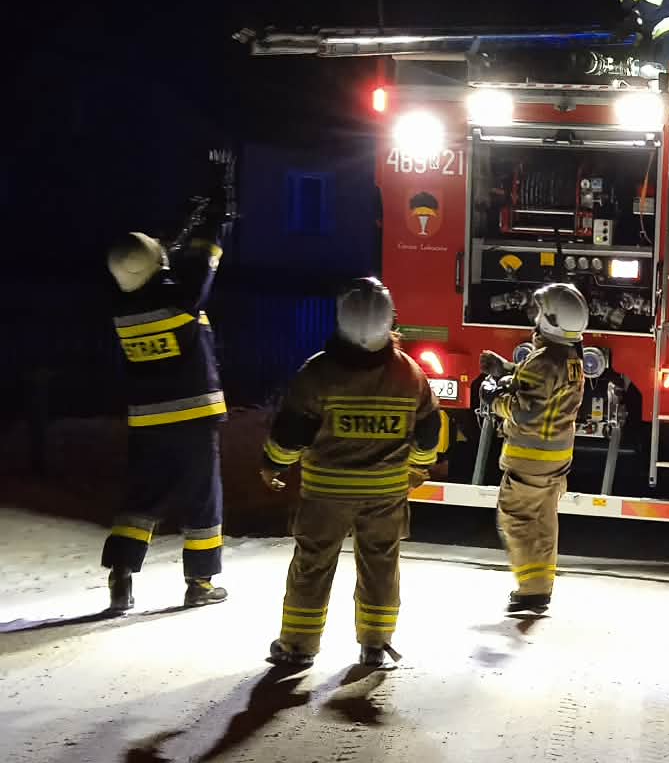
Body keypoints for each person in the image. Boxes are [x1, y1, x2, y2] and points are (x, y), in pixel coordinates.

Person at [260, 277, 443, 669]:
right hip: (386, 494)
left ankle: (298, 646)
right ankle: (376, 645)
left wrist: (274, 465)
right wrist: (419, 467)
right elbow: (429, 432)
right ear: (389, 319)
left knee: (313, 564)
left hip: (325, 493)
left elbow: (290, 434)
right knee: (380, 565)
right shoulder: (410, 374)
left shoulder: (317, 374)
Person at [103, 161, 235, 615]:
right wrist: (217, 214)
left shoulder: (124, 306)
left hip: (147, 421)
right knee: (203, 498)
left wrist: (184, 217)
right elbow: (200, 261)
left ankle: (121, 575)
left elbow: (155, 259)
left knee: (142, 498)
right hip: (194, 419)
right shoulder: (180, 300)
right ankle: (199, 582)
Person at [489, 282, 588, 616]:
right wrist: (505, 370)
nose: (533, 320)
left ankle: (531, 591)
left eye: (538, 314)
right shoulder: (573, 361)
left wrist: (493, 398)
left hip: (529, 460)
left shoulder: (542, 360)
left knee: (515, 518)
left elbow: (523, 410)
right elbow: (543, 387)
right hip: (557, 460)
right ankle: (539, 589)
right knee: (543, 523)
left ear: (550, 321)